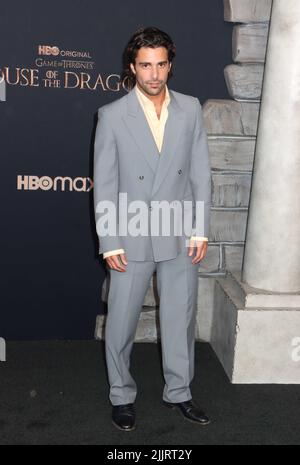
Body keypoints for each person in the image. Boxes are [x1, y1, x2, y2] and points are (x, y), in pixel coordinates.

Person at [93, 27, 211, 431]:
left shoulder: (191, 109)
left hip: (178, 232)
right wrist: (109, 241)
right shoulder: (111, 116)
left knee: (179, 317)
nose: (154, 74)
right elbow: (105, 183)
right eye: (146, 65)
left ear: (169, 65)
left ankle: (180, 393)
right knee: (122, 321)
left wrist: (200, 230)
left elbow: (200, 173)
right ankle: (121, 395)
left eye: (161, 64)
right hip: (131, 232)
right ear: (133, 67)